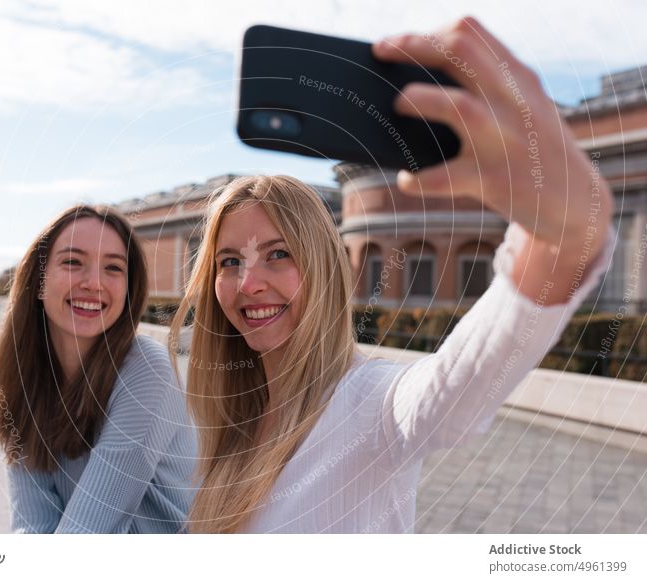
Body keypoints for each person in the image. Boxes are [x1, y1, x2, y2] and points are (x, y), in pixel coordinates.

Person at [169, 17, 615, 533]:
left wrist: (561, 238)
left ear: (323, 267)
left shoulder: (370, 403)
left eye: (278, 254)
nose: (249, 284)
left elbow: (452, 395)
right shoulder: (217, 424)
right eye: (229, 262)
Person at [0, 204, 196, 533]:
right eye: (73, 262)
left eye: (113, 268)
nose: (94, 283)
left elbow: (87, 535)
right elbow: (33, 527)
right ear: (38, 280)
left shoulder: (148, 370)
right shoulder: (26, 380)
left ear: (128, 288)